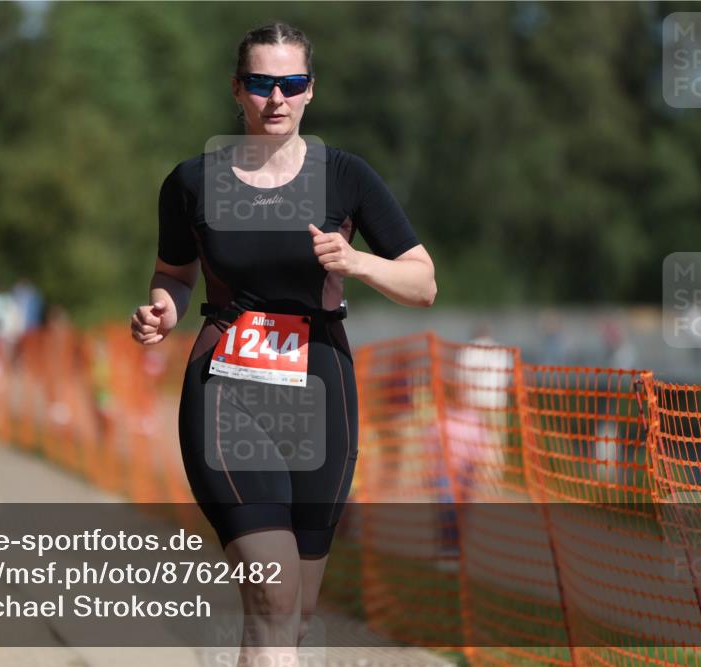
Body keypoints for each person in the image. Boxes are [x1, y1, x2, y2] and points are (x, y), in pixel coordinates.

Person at [130, 23, 436, 665]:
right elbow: (174, 274)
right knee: (272, 598)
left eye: (291, 84)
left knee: (292, 620)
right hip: (225, 389)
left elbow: (423, 282)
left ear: (309, 92)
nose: (277, 98)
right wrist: (163, 308)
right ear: (238, 90)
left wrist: (357, 263)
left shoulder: (345, 178)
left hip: (321, 394)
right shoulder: (192, 182)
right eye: (263, 83)